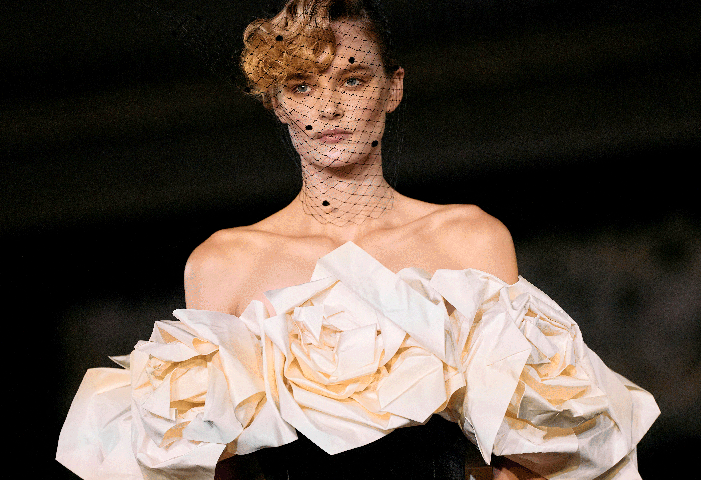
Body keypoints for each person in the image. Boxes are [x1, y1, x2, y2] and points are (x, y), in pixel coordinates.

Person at [56, 1, 659, 479]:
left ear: (392, 88)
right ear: (275, 103)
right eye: (300, 86)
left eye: (352, 77)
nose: (328, 108)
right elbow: (218, 464)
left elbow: (519, 448)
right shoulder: (226, 262)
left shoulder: (468, 240)